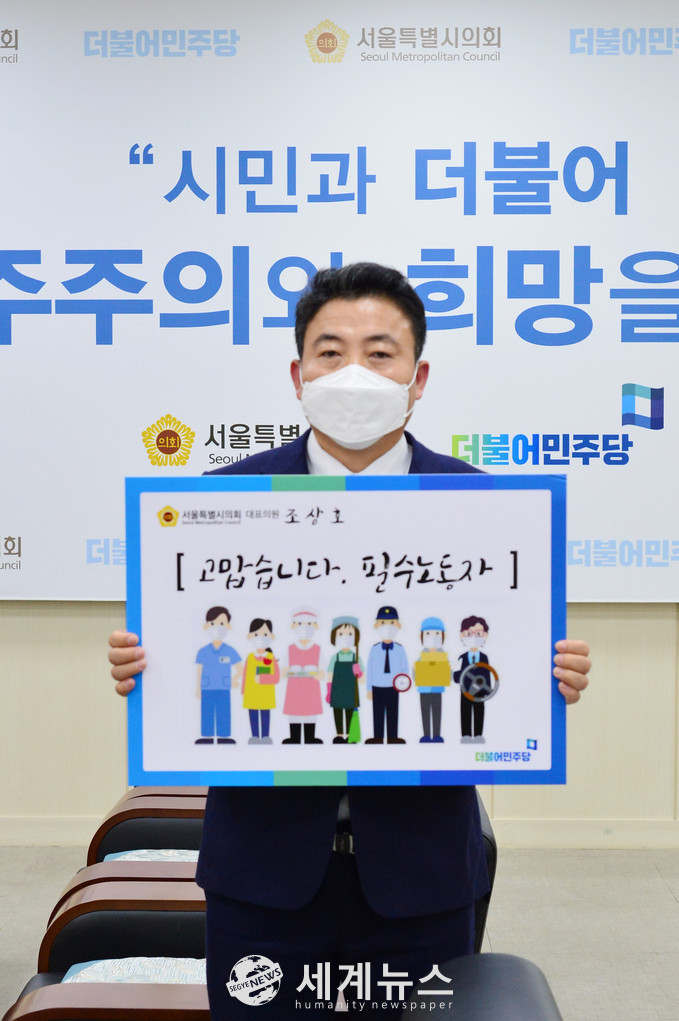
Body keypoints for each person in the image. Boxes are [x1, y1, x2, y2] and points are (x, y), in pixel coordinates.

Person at [109, 262, 590, 1017]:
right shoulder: (222, 502)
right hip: (263, 873)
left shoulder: (485, 507)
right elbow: (185, 649)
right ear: (297, 374)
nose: (353, 373)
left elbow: (495, 667)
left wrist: (544, 674)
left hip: (419, 877)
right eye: (330, 352)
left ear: (417, 377)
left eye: (379, 352)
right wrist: (148, 665)